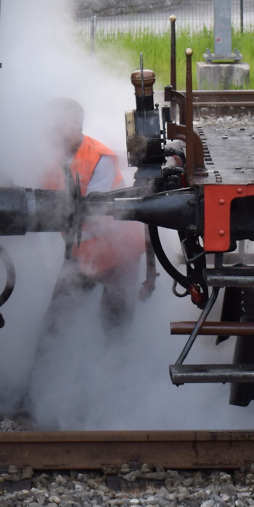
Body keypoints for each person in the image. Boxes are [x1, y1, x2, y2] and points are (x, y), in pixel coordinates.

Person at [37, 97, 149, 339]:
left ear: (77, 126)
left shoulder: (100, 158)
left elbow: (93, 215)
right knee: (54, 321)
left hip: (120, 253)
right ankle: (42, 362)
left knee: (115, 323)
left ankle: (118, 361)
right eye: (50, 127)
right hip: (82, 252)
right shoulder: (49, 159)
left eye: (59, 126)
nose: (53, 133)